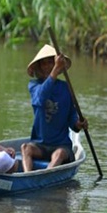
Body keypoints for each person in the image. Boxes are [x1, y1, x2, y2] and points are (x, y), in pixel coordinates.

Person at [21, 44, 88, 172]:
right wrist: (55, 71)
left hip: (61, 145)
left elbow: (72, 118)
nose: (47, 67)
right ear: (39, 67)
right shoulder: (34, 86)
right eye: (43, 64)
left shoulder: (65, 88)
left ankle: (45, 176)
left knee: (59, 155)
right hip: (40, 145)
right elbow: (40, 99)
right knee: (25, 148)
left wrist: (78, 124)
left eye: (50, 63)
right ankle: (27, 176)